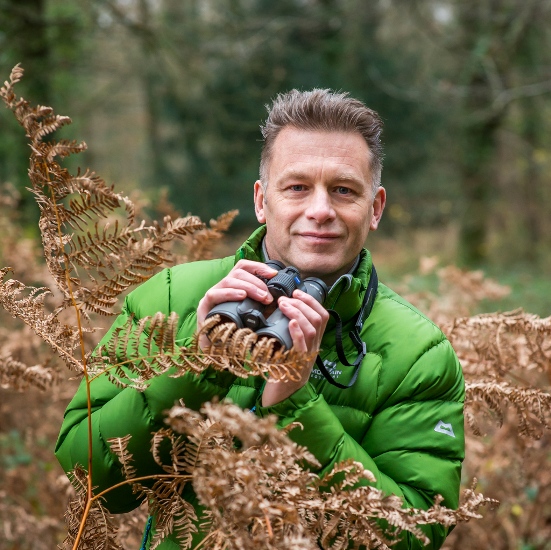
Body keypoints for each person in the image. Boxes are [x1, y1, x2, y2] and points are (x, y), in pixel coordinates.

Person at [55, 89, 465, 549]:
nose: (320, 210)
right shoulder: (173, 297)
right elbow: (87, 474)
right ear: (260, 200)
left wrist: (296, 405)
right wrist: (195, 363)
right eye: (296, 187)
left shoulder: (418, 354)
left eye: (344, 190)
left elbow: (416, 533)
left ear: (375, 208)